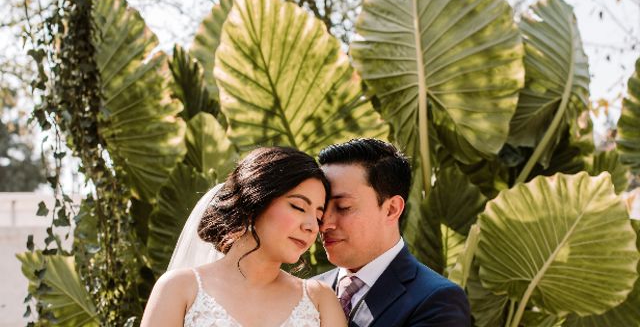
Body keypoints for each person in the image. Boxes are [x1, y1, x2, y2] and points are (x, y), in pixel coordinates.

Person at [141, 146, 347, 327]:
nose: (311, 226)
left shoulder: (320, 300)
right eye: (298, 207)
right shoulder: (179, 288)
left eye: (318, 217)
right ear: (254, 201)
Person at [314, 138, 471, 326]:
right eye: (322, 207)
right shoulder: (306, 291)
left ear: (392, 209)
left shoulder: (437, 300)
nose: (324, 224)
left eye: (343, 207)